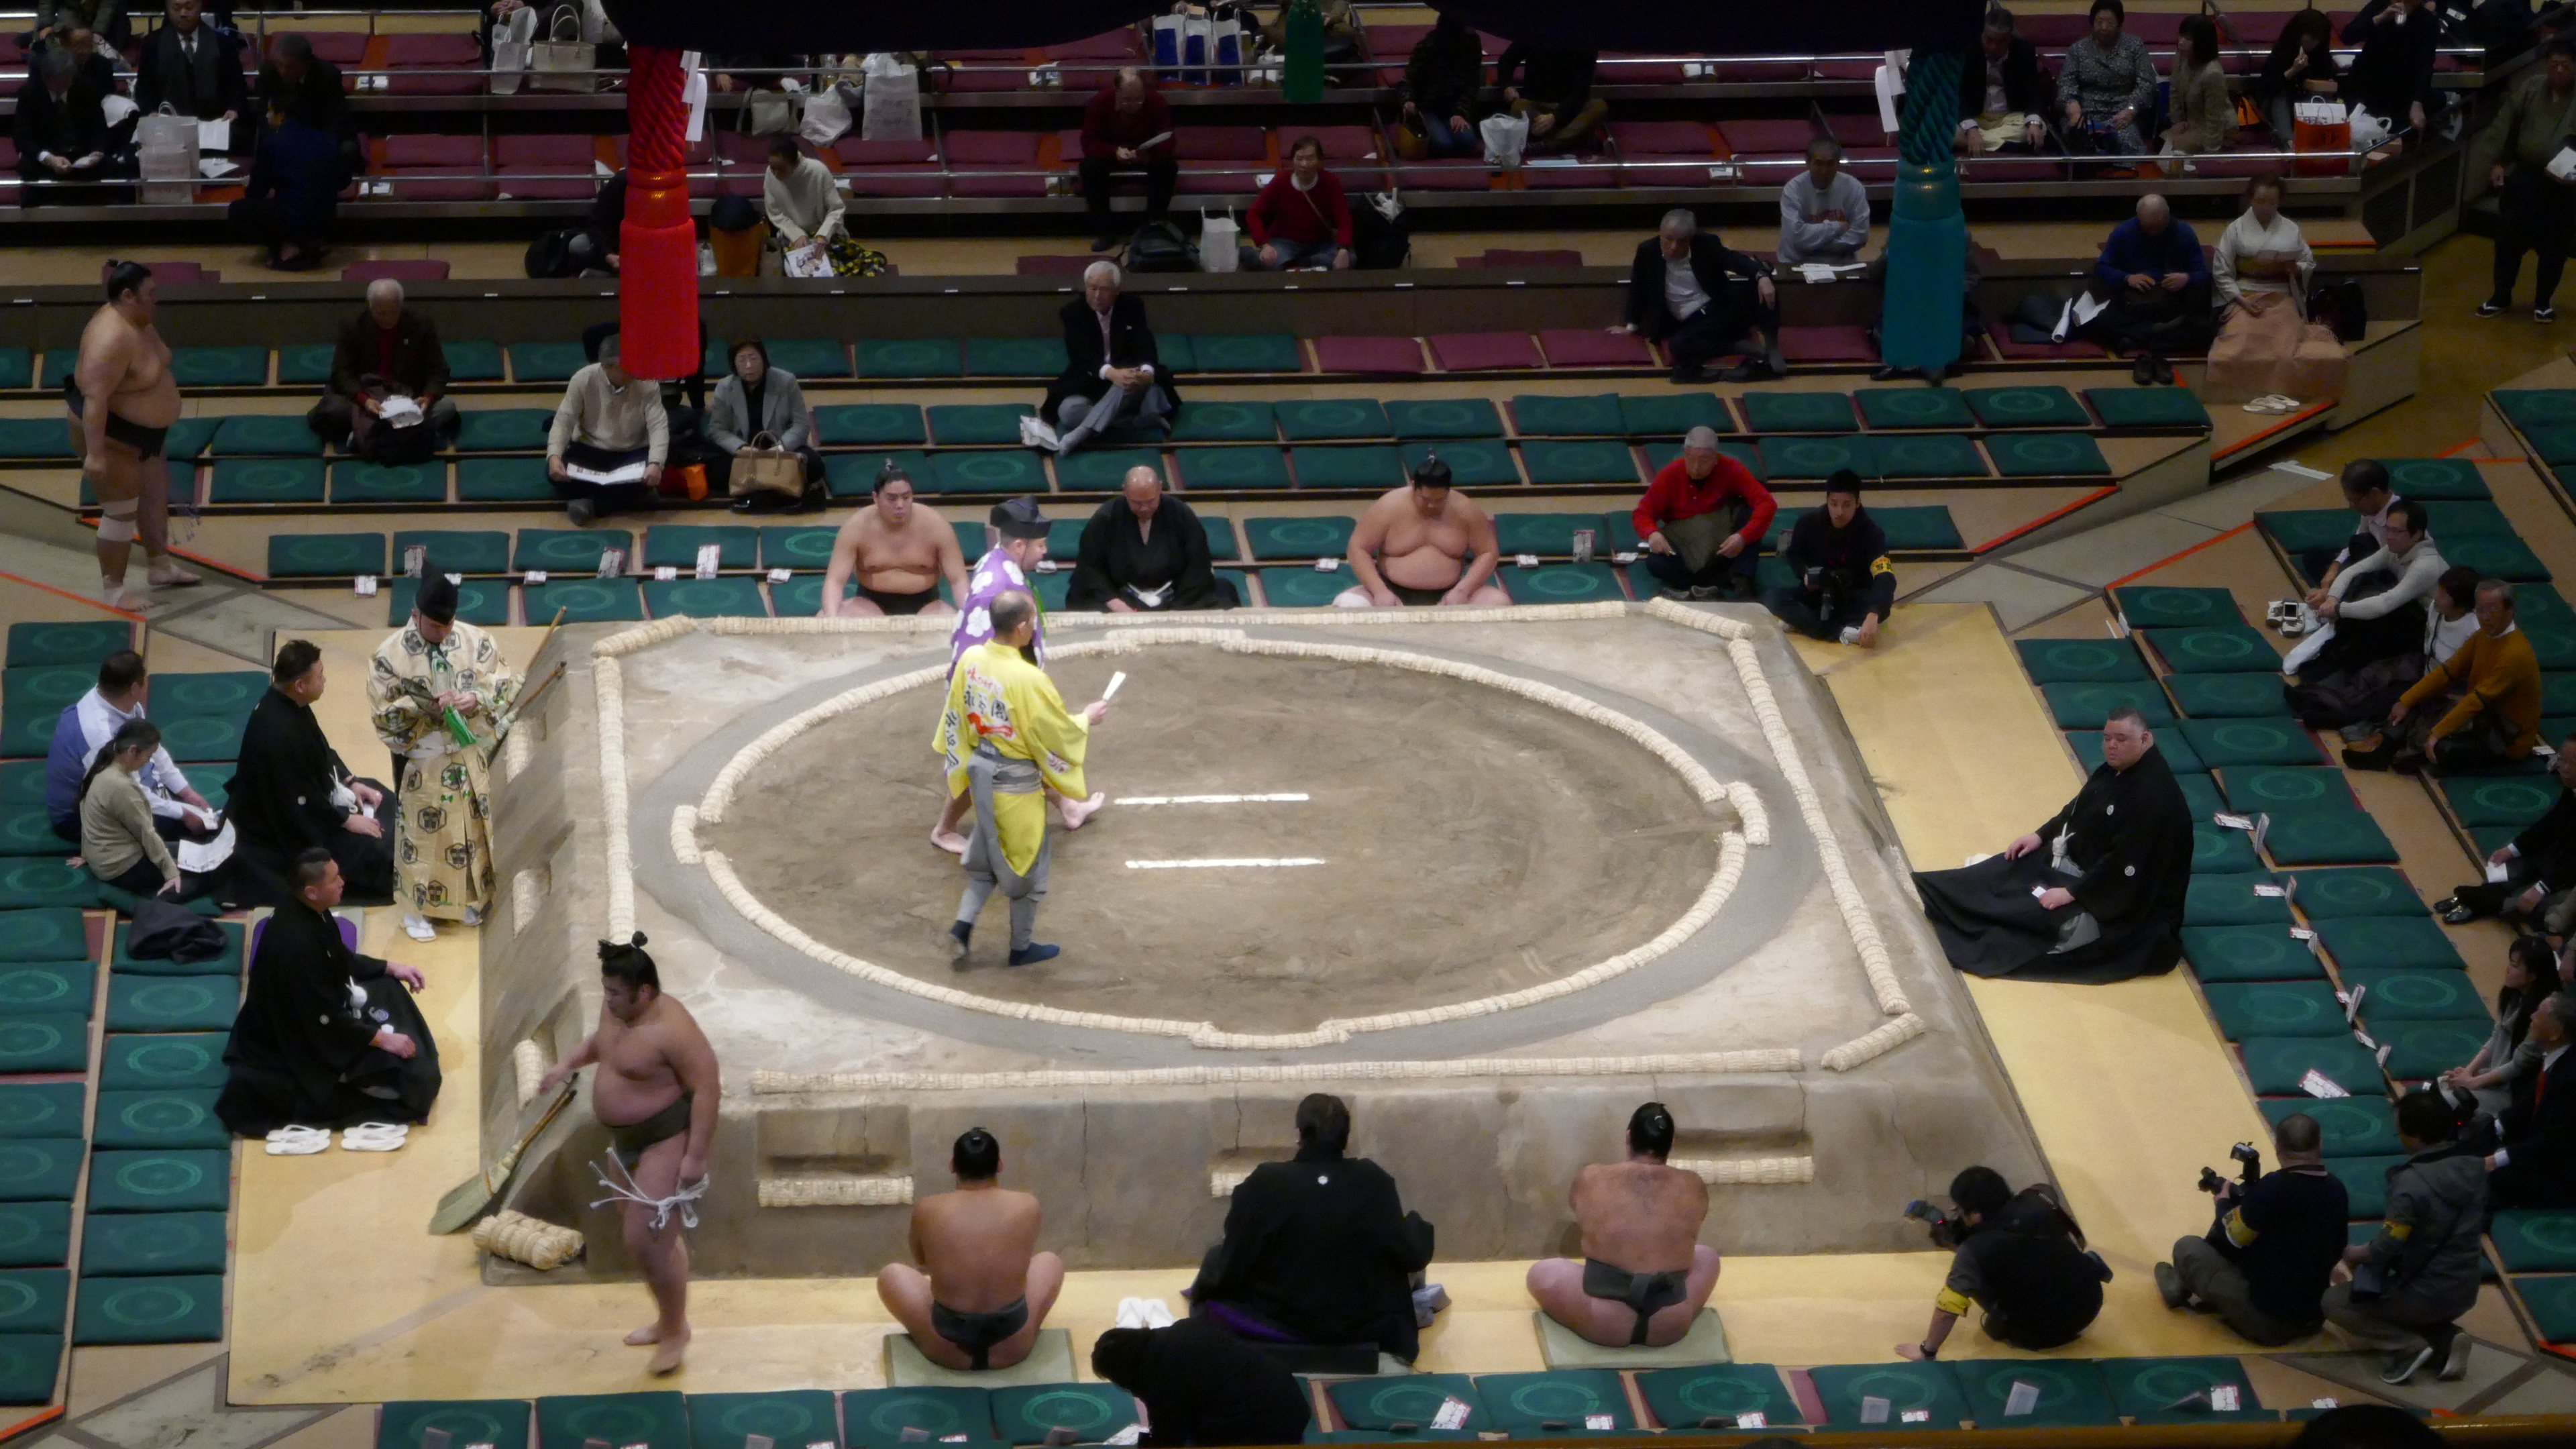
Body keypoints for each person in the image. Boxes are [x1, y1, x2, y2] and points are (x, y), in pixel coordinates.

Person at [535, 934, 718, 1377]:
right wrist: (567, 1064)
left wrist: (695, 1157)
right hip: (623, 1141)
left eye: (616, 993)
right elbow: (603, 1045)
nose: (609, 999)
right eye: (607, 990)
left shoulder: (673, 1029)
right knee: (653, 1242)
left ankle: (675, 1330)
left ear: (645, 992)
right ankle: (669, 1320)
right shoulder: (616, 1010)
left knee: (646, 1242)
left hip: (664, 1139)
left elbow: (708, 1088)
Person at [1915, 708, 2193, 983]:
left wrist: (2073, 892)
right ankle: (1940, 894)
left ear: (2145, 739)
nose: (2111, 746)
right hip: (2085, 867)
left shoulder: (2152, 797)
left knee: (2035, 913)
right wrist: (2041, 835)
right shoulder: (2118, 769)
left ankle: (1962, 916)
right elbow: (2080, 808)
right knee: (2011, 866)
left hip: (2121, 897)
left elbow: (2125, 864)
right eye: (2107, 738)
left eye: (2121, 739)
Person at [1188, 1093, 1439, 1362]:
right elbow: (1412, 1255)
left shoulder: (1266, 1182)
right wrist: (1418, 1226)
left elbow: (1234, 1263)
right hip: (1360, 1321)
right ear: (1345, 1138)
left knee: (1216, 1265)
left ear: (1299, 1135)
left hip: (1280, 1318)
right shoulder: (1373, 1181)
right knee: (1404, 1243)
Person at [214, 847, 437, 1139]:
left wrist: (390, 967)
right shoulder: (296, 945)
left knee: (386, 984)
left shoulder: (308, 910)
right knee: (411, 1078)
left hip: (318, 1008)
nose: (342, 882)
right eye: (334, 879)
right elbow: (323, 1017)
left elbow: (338, 956)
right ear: (312, 892)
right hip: (296, 1036)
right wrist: (383, 1039)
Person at [937, 589, 1110, 967]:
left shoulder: (971, 659)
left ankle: (962, 928)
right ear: (1020, 627)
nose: (1034, 627)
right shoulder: (1028, 678)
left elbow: (956, 713)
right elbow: (1053, 731)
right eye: (1032, 621)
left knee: (986, 861)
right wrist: (1086, 719)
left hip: (982, 778)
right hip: (1015, 788)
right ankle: (1021, 948)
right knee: (1028, 870)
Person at [930, 498, 1101, 852]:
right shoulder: (999, 586)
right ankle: (944, 829)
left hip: (1000, 678)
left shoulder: (997, 562)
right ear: (1020, 545)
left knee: (1030, 747)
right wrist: (999, 690)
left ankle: (1068, 807)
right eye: (1040, 545)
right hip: (985, 686)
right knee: (985, 759)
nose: (1045, 551)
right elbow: (978, 651)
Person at [367, 571, 520, 943]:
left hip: (466, 749)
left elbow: (502, 680)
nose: (444, 633)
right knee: (423, 835)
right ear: (416, 614)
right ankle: (414, 910)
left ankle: (464, 898)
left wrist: (476, 698)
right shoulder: (388, 655)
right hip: (425, 754)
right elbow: (383, 712)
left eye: (448, 625)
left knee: (469, 830)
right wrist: (423, 706)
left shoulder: (476, 640)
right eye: (436, 626)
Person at [2324, 1090, 2488, 1384]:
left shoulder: (2410, 1184)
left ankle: (2408, 1346)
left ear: (2414, 1136)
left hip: (2426, 1290)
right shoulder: (2475, 1167)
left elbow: (2386, 1247)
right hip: (2466, 1286)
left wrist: (2354, 1253)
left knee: (2334, 1302)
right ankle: (2445, 1337)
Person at [1525, 1103, 1721, 1348]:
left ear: (1629, 1137)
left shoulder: (1591, 1176)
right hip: (1670, 1323)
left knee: (1542, 1272)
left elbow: (1580, 1212)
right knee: (1708, 1257)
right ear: (1671, 1143)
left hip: (1604, 1320)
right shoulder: (1694, 1184)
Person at [876, 1128, 1065, 1371]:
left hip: (947, 1348)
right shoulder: (1028, 1204)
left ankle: (954, 1347)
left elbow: (922, 1262)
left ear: (952, 1165)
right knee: (1050, 1261)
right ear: (1000, 1165)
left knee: (891, 1275)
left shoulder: (927, 1208)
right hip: (1013, 1346)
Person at [2153, 1114, 2347, 1346]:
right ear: (2320, 1144)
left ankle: (2179, 1282)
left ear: (2278, 1147)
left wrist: (2223, 1204)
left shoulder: (2273, 1187)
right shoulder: (2337, 1190)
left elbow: (2229, 1238)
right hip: (2314, 1316)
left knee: (2188, 1247)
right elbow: (2337, 1248)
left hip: (2268, 1323)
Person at [227, 639, 393, 906]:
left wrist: (350, 782)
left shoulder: (290, 704)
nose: (325, 680)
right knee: (376, 851)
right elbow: (297, 801)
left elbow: (321, 749)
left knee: (377, 795)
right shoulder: (279, 734)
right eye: (320, 675)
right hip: (289, 824)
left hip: (310, 798)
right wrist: (344, 820)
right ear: (300, 686)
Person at [70, 262, 198, 604]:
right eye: (150, 293)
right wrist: (96, 455)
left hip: (145, 437)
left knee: (155, 496)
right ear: (129, 296)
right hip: (111, 436)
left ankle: (160, 567)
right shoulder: (110, 337)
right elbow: (95, 398)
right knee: (121, 511)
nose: (156, 299)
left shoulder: (139, 321)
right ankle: (114, 590)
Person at [1899, 1166, 2108, 1357]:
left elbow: (1947, 1310)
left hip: (2042, 1333)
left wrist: (1926, 1351)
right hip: (2090, 1304)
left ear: (1975, 1215)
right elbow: (2044, 1193)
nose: (1958, 1214)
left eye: (1960, 1210)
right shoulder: (2039, 1197)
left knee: (1973, 1275)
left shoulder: (1973, 1251)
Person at [2350, 580, 2542, 775]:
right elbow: (2448, 671)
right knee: (2418, 698)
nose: (2485, 617)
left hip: (2505, 736)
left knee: (2443, 747)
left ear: (2510, 610)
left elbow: (2477, 701)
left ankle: (2405, 753)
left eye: (2492, 610)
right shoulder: (2483, 635)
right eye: (2480, 610)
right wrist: (2406, 700)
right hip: (2483, 717)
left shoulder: (2515, 654)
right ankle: (2384, 747)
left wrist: (2437, 733)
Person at [2289, 559, 2473, 741]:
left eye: (2444, 595)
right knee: (2373, 675)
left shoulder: (2472, 631)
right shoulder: (2436, 608)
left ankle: (2331, 717)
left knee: (2389, 697)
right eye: (2439, 591)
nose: (2437, 597)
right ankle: (2318, 699)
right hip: (2423, 664)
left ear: (2461, 605)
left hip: (2443, 685)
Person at [44, 649, 211, 845]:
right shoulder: (99, 736)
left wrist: (186, 792)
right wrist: (182, 813)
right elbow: (127, 793)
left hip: (120, 787)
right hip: (77, 818)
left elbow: (153, 748)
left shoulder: (121, 702)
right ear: (134, 688)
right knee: (184, 828)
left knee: (188, 810)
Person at [2208, 175, 2347, 405]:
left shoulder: (2290, 229)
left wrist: (2297, 268)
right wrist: (2241, 300)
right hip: (2245, 295)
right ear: (2251, 199)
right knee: (2240, 344)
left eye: (2272, 202)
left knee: (2285, 348)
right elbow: (2222, 271)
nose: (2266, 207)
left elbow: (2307, 261)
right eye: (2261, 201)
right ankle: (2243, 396)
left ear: (2279, 201)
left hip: (2281, 296)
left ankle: (2286, 395)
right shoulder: (2236, 229)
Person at [2283, 497, 2444, 686]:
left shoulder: (2425, 566)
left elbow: (2385, 604)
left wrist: (2339, 609)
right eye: (2388, 529)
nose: (2389, 536)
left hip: (2422, 634)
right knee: (2360, 576)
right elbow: (2356, 569)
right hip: (2403, 607)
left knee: (2376, 613)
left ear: (2417, 535)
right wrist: (2332, 598)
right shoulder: (2397, 548)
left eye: (2397, 532)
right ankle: (2340, 649)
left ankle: (2347, 665)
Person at [2473, 36, 2576, 321]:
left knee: (2554, 246)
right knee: (2508, 239)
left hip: (2563, 184)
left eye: (2565, 65)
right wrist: (2498, 162)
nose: (2558, 70)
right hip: (2526, 177)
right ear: (2546, 64)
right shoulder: (2531, 87)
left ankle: (2543, 302)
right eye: (2554, 64)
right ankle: (2501, 295)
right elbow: (2506, 124)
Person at [1615, 210, 1780, 384]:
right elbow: (1638, 286)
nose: (1673, 247)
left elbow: (1733, 260)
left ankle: (1772, 348)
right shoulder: (1647, 251)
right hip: (1689, 322)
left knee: (1765, 286)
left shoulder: (1706, 243)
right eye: (1668, 239)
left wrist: (1762, 276)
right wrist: (1631, 325)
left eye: (1681, 241)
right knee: (1678, 346)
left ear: (1691, 239)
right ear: (1661, 234)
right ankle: (1736, 346)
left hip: (1718, 309)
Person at [1091, 1319, 1311, 1447]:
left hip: (1267, 1428)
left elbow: (1168, 1439)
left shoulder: (1162, 1378)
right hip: (1291, 1399)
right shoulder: (1183, 1329)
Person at [1334, 457, 1509, 608]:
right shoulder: (1388, 507)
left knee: (1498, 603)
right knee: (1348, 603)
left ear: (1448, 491)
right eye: (1425, 499)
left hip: (1452, 593)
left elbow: (1488, 552)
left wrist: (1463, 590)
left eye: (1439, 500)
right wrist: (1379, 591)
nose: (1432, 505)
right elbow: (1358, 548)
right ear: (1413, 486)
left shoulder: (1466, 510)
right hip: (1390, 590)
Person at [1038, 261, 1173, 455]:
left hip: (1129, 383)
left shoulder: (1132, 306)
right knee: (1069, 412)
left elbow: (1144, 343)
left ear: (1117, 291)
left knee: (1129, 381)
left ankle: (1081, 433)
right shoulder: (1073, 313)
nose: (1097, 295)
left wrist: (1146, 373)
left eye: (1104, 290)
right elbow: (1081, 356)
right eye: (1092, 288)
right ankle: (1131, 423)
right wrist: (1111, 373)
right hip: (1091, 383)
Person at [309, 279, 458, 455]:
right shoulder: (352, 325)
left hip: (407, 395)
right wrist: (364, 400)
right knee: (334, 409)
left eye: (393, 312)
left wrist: (427, 397)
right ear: (370, 307)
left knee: (446, 408)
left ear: (401, 306)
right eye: (381, 313)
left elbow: (438, 369)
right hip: (365, 394)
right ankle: (399, 432)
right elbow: (342, 371)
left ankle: (365, 432)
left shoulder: (421, 324)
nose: (387, 318)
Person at [1633, 426, 1776, 602]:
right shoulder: (1670, 474)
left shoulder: (1731, 468)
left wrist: (1743, 537)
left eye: (1704, 460)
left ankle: (1742, 582)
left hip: (1723, 540)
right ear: (1684, 453)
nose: (1696, 467)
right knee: (1656, 563)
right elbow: (1642, 513)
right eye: (1691, 458)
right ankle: (1715, 581)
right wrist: (1652, 533)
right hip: (1686, 543)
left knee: (1750, 514)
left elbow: (1766, 503)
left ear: (1716, 458)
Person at [1067, 466, 1236, 611]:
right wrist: (1117, 605)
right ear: (1125, 491)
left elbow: (1198, 563)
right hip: (1123, 597)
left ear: (1160, 488)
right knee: (1079, 596)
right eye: (1137, 503)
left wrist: (1177, 607)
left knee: (1223, 590)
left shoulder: (1180, 514)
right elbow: (1089, 568)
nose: (1144, 508)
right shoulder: (1106, 517)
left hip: (1176, 596)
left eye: (1150, 501)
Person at [2442, 749, 2576, 928]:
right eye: (2562, 760)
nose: (2564, 768)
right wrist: (2513, 849)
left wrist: (2544, 887)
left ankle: (2484, 903)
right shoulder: (2571, 789)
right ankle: (2482, 897)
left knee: (2545, 908)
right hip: (2561, 853)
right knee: (2513, 864)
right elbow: (2550, 824)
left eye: (2572, 764)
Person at [546, 331, 668, 526]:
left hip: (632, 452)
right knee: (553, 472)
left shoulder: (647, 382)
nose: (633, 370)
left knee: (653, 471)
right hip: (590, 449)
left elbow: (658, 426)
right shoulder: (583, 379)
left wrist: (655, 463)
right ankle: (627, 499)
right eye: (626, 366)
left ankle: (589, 503)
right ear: (605, 366)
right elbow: (564, 421)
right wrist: (554, 456)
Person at [2087, 194, 2214, 378]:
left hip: (2172, 308)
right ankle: (2155, 337)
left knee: (2206, 330)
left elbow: (2202, 274)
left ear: (2167, 218)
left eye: (2158, 227)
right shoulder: (2124, 232)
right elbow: (2102, 268)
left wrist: (2186, 279)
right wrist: (2127, 278)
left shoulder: (2184, 233)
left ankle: (2136, 340)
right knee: (2096, 322)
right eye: (2147, 228)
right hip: (2133, 307)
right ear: (2138, 218)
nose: (2153, 233)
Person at [1764, 470, 1894, 647]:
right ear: (1827, 500)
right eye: (1834, 504)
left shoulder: (1872, 533)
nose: (1839, 512)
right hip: (1817, 593)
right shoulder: (1808, 523)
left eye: (1847, 505)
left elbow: (1885, 576)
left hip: (1852, 596)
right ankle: (1840, 632)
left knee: (1880, 611)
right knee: (1772, 598)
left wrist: (1874, 614)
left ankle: (1806, 624)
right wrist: (1804, 573)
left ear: (1857, 503)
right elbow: (1795, 554)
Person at [820, 465, 966, 619]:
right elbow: (835, 581)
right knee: (824, 616)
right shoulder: (856, 527)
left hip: (927, 605)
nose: (900, 505)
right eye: (892, 499)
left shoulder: (936, 525)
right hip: (868, 605)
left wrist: (968, 615)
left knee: (956, 622)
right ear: (876, 498)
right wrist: (831, 618)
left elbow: (958, 580)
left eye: (906, 497)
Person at [2442, 937, 2561, 1120]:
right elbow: (2498, 1034)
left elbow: (2518, 1065)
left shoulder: (2543, 1014)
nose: (2507, 969)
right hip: (2493, 1078)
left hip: (2512, 1093)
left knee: (2448, 1101)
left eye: (2514, 965)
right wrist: (2468, 1072)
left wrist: (2472, 1083)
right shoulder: (2515, 995)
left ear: (2533, 975)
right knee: (2442, 1084)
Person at [75, 719, 194, 900]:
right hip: (122, 868)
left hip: (106, 859)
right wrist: (171, 872)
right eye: (148, 755)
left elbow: (85, 810)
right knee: (200, 874)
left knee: (192, 853)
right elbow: (146, 832)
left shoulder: (100, 765)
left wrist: (87, 854)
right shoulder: (120, 786)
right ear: (132, 751)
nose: (148, 761)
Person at [2486, 991, 2576, 1209]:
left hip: (2562, 1175)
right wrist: (2493, 1129)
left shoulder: (2571, 1081)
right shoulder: (2556, 1059)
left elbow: (2552, 1144)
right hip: (2537, 1150)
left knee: (2488, 1179)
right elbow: (2527, 1107)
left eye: (2539, 1015)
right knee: (2479, 1140)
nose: (2532, 1017)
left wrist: (2497, 1159)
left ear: (2555, 1033)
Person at [702, 337, 823, 496]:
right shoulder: (724, 387)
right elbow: (717, 429)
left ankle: (759, 487)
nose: (749, 365)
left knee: (815, 465)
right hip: (745, 451)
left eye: (753, 358)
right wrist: (741, 448)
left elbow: (801, 424)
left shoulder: (786, 381)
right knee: (715, 470)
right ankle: (772, 486)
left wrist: (780, 448)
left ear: (764, 359)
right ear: (734, 364)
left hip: (779, 448)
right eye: (742, 360)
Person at [229, 104, 340, 272]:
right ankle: (307, 243)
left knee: (237, 210)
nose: (267, 116)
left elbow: (255, 192)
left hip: (294, 219)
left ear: (281, 115)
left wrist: (253, 184)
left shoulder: (272, 143)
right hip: (327, 219)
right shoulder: (328, 140)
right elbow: (343, 180)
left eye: (270, 111)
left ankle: (288, 247)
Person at [1079, 68, 1176, 252]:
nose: (1133, 105)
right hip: (1112, 153)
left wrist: (1150, 153)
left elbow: (1168, 139)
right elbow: (1088, 142)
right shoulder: (1100, 102)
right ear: (1117, 92)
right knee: (1089, 167)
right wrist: (1113, 152)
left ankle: (1154, 227)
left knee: (1168, 167)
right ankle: (1106, 231)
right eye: (1127, 100)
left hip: (1146, 152)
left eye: (1138, 99)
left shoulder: (1156, 102)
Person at [133, 0, 243, 152]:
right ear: (168, 9)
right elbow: (144, 88)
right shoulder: (153, 44)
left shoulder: (223, 44)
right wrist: (151, 112)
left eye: (189, 7)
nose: (183, 13)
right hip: (168, 129)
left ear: (200, 7)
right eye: (177, 8)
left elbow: (237, 85)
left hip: (213, 126)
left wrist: (233, 109)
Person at [2057, 0, 2157, 157]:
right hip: (2086, 112)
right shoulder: (2078, 49)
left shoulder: (2134, 46)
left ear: (2119, 25)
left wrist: (2130, 110)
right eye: (2099, 22)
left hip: (2122, 113)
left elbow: (2146, 84)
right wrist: (2074, 110)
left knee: (2125, 142)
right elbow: (2066, 83)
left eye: (2110, 23)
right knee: (2079, 143)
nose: (2104, 27)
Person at [13, 48, 113, 205]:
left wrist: (96, 152)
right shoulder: (29, 93)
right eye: (55, 82)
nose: (60, 87)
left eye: (65, 82)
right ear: (45, 78)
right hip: (47, 154)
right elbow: (22, 137)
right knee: (27, 167)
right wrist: (49, 159)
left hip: (81, 153)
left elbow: (99, 127)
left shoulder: (87, 88)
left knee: (113, 166)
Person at [1242, 136, 1352, 272]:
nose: (1304, 164)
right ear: (1293, 160)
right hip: (1284, 242)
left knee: (1350, 259)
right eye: (1300, 159)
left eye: (1310, 159)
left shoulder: (1330, 182)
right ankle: (1249, 253)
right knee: (1270, 263)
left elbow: (1344, 220)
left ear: (1320, 160)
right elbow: (1253, 213)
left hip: (1320, 244)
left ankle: (1297, 265)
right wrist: (1264, 244)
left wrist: (1343, 249)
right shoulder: (1281, 180)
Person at [2344, 0, 2443, 150]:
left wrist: (2417, 103)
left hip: (2401, 90)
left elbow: (2425, 65)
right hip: (2367, 84)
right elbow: (2348, 36)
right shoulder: (2379, 6)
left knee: (2436, 101)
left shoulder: (2428, 20)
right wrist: (2380, 18)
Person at [2301, 459, 2403, 591]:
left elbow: (2396, 573)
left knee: (2363, 544)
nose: (2351, 507)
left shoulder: (2400, 523)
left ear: (2374, 494)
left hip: (2388, 578)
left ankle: (2339, 594)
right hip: (2366, 562)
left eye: (2354, 501)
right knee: (2314, 556)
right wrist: (2334, 569)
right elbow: (2354, 546)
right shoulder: (2371, 510)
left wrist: (2338, 587)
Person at [1958, 8, 2049, 156]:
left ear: (2011, 38)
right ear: (1982, 34)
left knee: (2041, 128)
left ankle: (1980, 143)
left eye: (2001, 42)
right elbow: (1960, 94)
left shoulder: (2024, 50)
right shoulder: (1968, 49)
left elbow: (2033, 92)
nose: (1993, 47)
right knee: (1942, 130)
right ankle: (2004, 144)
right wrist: (1971, 130)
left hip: (2009, 118)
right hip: (1975, 116)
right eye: (1989, 40)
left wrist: (2033, 124)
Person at [760, 135, 852, 270]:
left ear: (795, 163)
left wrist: (824, 234)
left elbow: (836, 209)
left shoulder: (818, 171)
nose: (776, 174)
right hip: (792, 233)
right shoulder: (771, 174)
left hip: (823, 230)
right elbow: (775, 213)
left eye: (781, 169)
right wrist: (797, 235)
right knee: (798, 270)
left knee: (839, 268)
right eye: (773, 168)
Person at [2256, 9, 2343, 148]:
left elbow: (2327, 76)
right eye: (2312, 39)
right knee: (2280, 95)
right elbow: (2266, 87)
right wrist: (2293, 71)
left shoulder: (2320, 53)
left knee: (2322, 97)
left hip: (2304, 104)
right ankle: (2288, 142)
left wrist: (2329, 86)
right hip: (2276, 104)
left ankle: (2327, 141)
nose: (2315, 43)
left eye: (2318, 40)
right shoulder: (2282, 51)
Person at [1400, 13, 1483, 160]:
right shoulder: (1429, 45)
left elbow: (1472, 83)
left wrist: (1460, 112)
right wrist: (1409, 101)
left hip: (1453, 106)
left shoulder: (1473, 43)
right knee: (1443, 145)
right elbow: (1409, 80)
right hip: (1426, 106)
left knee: (1468, 142)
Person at [1777, 138, 1870, 268]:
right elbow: (1796, 237)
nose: (1824, 171)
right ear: (1808, 163)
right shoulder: (1792, 190)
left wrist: (1812, 244)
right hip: (1798, 263)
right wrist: (1838, 227)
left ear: (1838, 164)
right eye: (1818, 164)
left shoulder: (1854, 188)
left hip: (1841, 263)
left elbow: (1860, 235)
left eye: (1830, 164)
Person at [1495, 42, 1603, 153]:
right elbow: (1506, 61)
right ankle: (1569, 140)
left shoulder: (1585, 42)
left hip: (1570, 111)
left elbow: (1581, 92)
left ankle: (1546, 145)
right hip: (1536, 106)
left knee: (1599, 107)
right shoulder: (1534, 34)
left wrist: (1556, 117)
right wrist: (1507, 86)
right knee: (1518, 106)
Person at [2164, 16, 2238, 160]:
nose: (2181, 41)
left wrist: (2211, 153)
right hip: (2190, 123)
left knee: (2172, 147)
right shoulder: (2181, 58)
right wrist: (2178, 123)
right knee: (2161, 142)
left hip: (2214, 129)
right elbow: (2174, 92)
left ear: (2202, 42)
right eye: (2181, 36)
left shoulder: (2212, 73)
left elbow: (2214, 118)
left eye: (2188, 38)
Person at [256, 31, 347, 146]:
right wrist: (273, 127)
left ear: (307, 63)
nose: (283, 71)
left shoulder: (328, 75)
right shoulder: (268, 73)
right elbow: (262, 113)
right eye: (280, 64)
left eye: (290, 67)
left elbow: (335, 119)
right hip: (282, 136)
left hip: (317, 133)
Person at [30, 0, 130, 52]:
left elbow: (107, 8)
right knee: (58, 38)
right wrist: (47, 25)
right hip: (73, 12)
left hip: (111, 22)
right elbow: (47, 3)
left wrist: (97, 33)